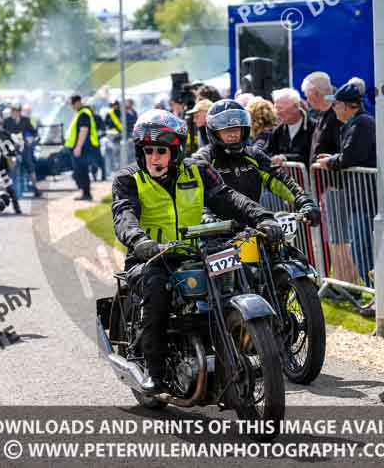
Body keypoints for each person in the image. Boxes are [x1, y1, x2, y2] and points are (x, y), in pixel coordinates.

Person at [112, 109, 283, 395]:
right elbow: (123, 215)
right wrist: (139, 240)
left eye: (162, 151)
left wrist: (263, 217)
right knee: (157, 291)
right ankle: (153, 370)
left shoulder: (198, 170)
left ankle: (243, 346)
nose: (155, 157)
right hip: (152, 258)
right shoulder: (129, 179)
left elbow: (228, 198)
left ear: (176, 151)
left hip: (196, 253)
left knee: (236, 277)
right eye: (149, 150)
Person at [193, 99, 320, 225]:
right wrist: (205, 215)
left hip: (255, 225)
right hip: (217, 232)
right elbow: (195, 194)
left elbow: (280, 179)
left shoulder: (254, 155)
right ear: (214, 132)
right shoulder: (204, 158)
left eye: (236, 129)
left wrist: (303, 200)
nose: (233, 135)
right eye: (226, 131)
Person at [316, 83, 377, 288]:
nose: (333, 109)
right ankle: (379, 296)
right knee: (360, 250)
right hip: (358, 197)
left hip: (366, 199)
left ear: (347, 105)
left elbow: (352, 157)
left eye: (336, 105)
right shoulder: (356, 123)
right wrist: (334, 158)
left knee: (364, 250)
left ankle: (383, 298)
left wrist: (330, 162)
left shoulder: (362, 123)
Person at [265, 88, 314, 167]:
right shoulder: (278, 130)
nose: (277, 112)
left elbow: (312, 156)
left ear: (296, 106)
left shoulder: (313, 127)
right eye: (276, 108)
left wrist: (285, 158)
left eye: (280, 108)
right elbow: (266, 152)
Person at [64, 94, 99, 201]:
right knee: (81, 171)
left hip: (83, 148)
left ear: (77, 102)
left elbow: (83, 131)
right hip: (83, 147)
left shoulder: (83, 114)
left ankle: (86, 194)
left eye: (72, 104)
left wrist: (78, 147)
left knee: (81, 171)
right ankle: (85, 193)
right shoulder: (81, 113)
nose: (72, 107)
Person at [3, 102, 41, 197]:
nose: (15, 113)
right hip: (10, 148)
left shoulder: (26, 120)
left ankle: (35, 187)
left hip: (24, 146)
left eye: (17, 111)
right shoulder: (6, 121)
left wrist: (32, 140)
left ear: (20, 112)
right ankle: (8, 190)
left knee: (29, 165)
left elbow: (34, 132)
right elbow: (1, 134)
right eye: (13, 111)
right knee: (7, 167)